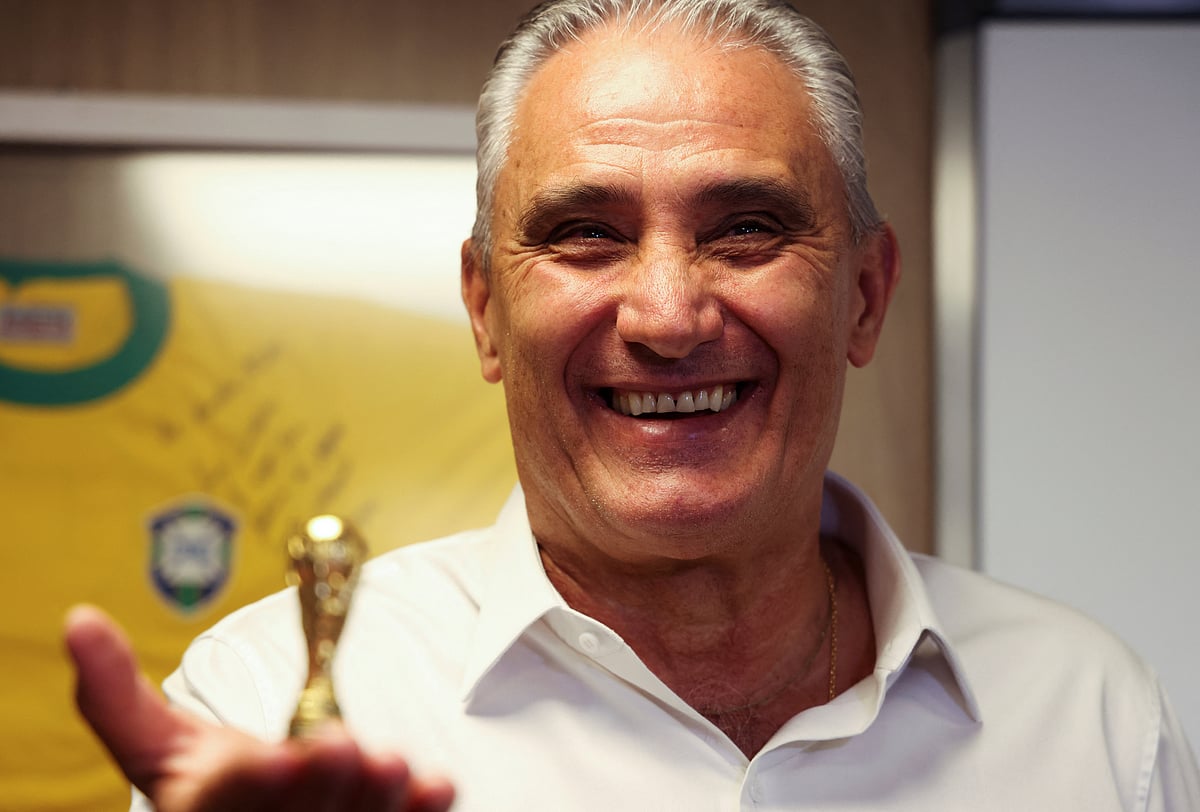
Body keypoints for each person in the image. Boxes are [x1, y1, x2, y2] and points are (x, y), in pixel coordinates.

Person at [66, 0, 1200, 809]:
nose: (667, 313)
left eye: (746, 226)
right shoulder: (275, 705)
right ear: (485, 311)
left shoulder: (1088, 709)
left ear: (864, 293)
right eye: (585, 233)